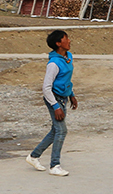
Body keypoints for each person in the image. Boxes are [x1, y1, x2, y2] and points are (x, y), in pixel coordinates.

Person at [26, 30, 78, 177]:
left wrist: (72, 95)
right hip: (53, 99)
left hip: (63, 97)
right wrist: (56, 107)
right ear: (58, 43)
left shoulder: (68, 57)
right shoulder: (53, 64)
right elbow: (46, 88)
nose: (69, 41)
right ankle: (54, 165)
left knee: (56, 130)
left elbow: (66, 80)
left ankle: (34, 156)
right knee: (62, 130)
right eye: (66, 39)